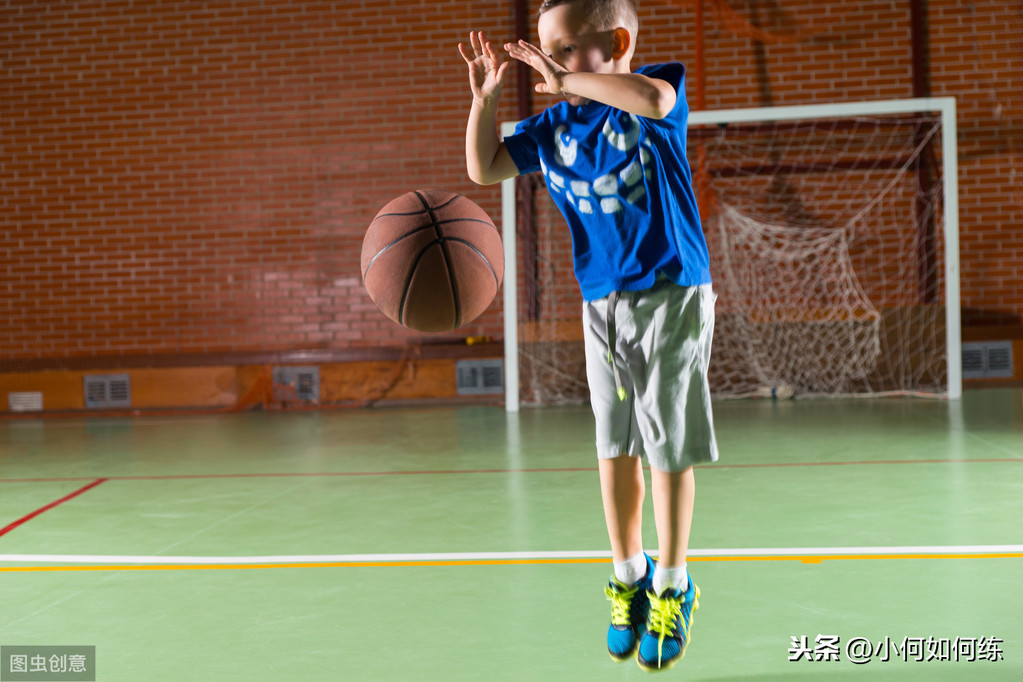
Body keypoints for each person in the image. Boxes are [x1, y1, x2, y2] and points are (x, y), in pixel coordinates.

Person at [458, 0, 718, 672]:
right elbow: (483, 168)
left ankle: (672, 582)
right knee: (613, 442)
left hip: (670, 291)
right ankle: (627, 573)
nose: (551, 67)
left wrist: (565, 77)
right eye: (548, 53)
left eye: (566, 50)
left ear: (618, 40)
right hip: (599, 300)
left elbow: (654, 100)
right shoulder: (553, 128)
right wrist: (485, 98)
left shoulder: (651, 94)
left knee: (665, 444)